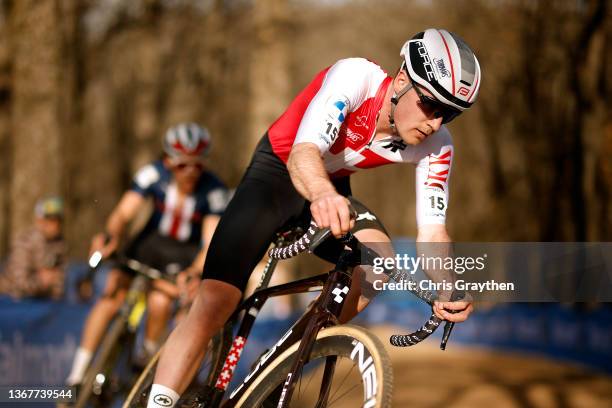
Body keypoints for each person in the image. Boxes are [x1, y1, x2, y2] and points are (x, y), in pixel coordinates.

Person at [147, 28, 480, 408]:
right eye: (430, 105)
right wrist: (322, 194)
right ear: (402, 80)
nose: (436, 123)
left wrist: (448, 284)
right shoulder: (356, 77)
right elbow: (304, 153)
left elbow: (434, 231)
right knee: (216, 301)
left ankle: (285, 362)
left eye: (450, 113)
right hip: (278, 172)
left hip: (331, 185)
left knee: (379, 265)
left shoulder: (439, 146)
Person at [64, 123, 229, 387]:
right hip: (147, 245)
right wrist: (111, 235)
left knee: (160, 303)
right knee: (110, 296)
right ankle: (77, 375)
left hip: (182, 253)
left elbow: (210, 241)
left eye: (197, 165)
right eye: (181, 165)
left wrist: (195, 271)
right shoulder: (153, 174)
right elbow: (123, 214)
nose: (190, 172)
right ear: (168, 162)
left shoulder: (215, 190)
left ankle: (147, 358)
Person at [0, 196, 67, 300]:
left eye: (59, 220)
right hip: (11, 302)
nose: (56, 225)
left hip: (43, 303)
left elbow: (60, 282)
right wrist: (40, 281)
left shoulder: (60, 244)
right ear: (40, 221)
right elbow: (18, 284)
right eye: (51, 220)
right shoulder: (24, 242)